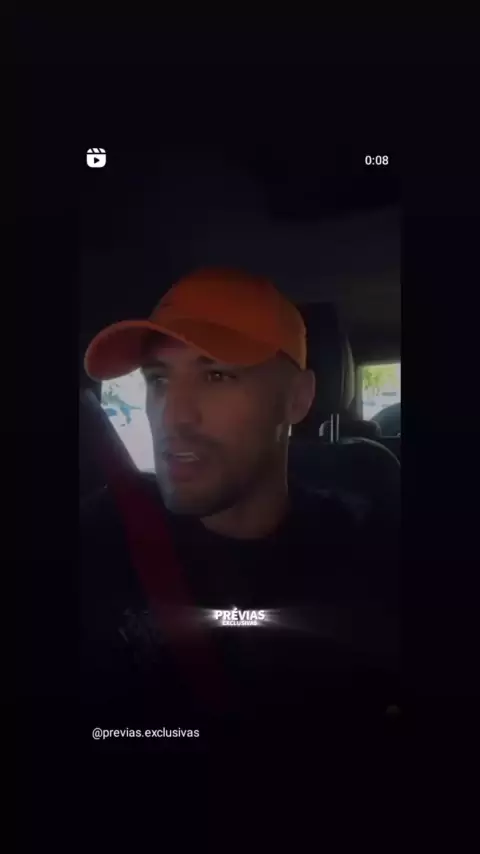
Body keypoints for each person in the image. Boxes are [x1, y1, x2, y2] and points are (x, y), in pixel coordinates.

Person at [80, 268, 399, 748]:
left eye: (216, 375)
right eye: (159, 379)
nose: (173, 416)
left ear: (297, 398)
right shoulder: (104, 532)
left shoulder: (370, 554)